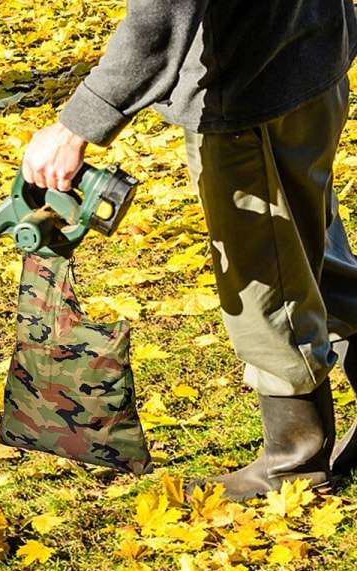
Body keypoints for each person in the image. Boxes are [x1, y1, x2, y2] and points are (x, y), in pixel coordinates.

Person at [21, 0, 357, 501]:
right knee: (308, 243)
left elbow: (162, 13)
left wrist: (76, 126)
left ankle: (293, 465)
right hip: (314, 55)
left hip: (250, 88)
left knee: (267, 280)